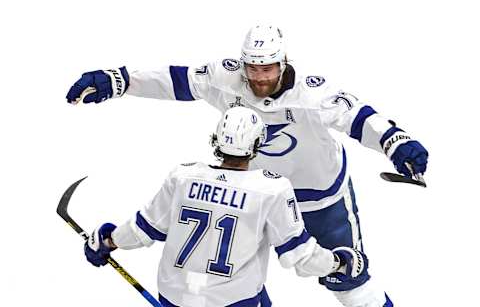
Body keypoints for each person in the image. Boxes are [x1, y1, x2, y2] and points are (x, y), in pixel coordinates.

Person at [69, 25, 429, 307]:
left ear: (284, 62)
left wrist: (395, 142)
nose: (258, 77)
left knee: (348, 279)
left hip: (318, 198)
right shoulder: (227, 79)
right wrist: (120, 80)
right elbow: (175, 80)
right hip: (252, 198)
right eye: (252, 67)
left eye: (267, 68)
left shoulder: (313, 94)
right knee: (231, 282)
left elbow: (358, 117)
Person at [84, 106, 369, 307]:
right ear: (258, 144)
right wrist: (340, 262)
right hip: (234, 302)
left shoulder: (183, 176)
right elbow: (300, 256)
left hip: (173, 297)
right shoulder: (272, 188)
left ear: (216, 140)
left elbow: (142, 230)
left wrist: (107, 241)